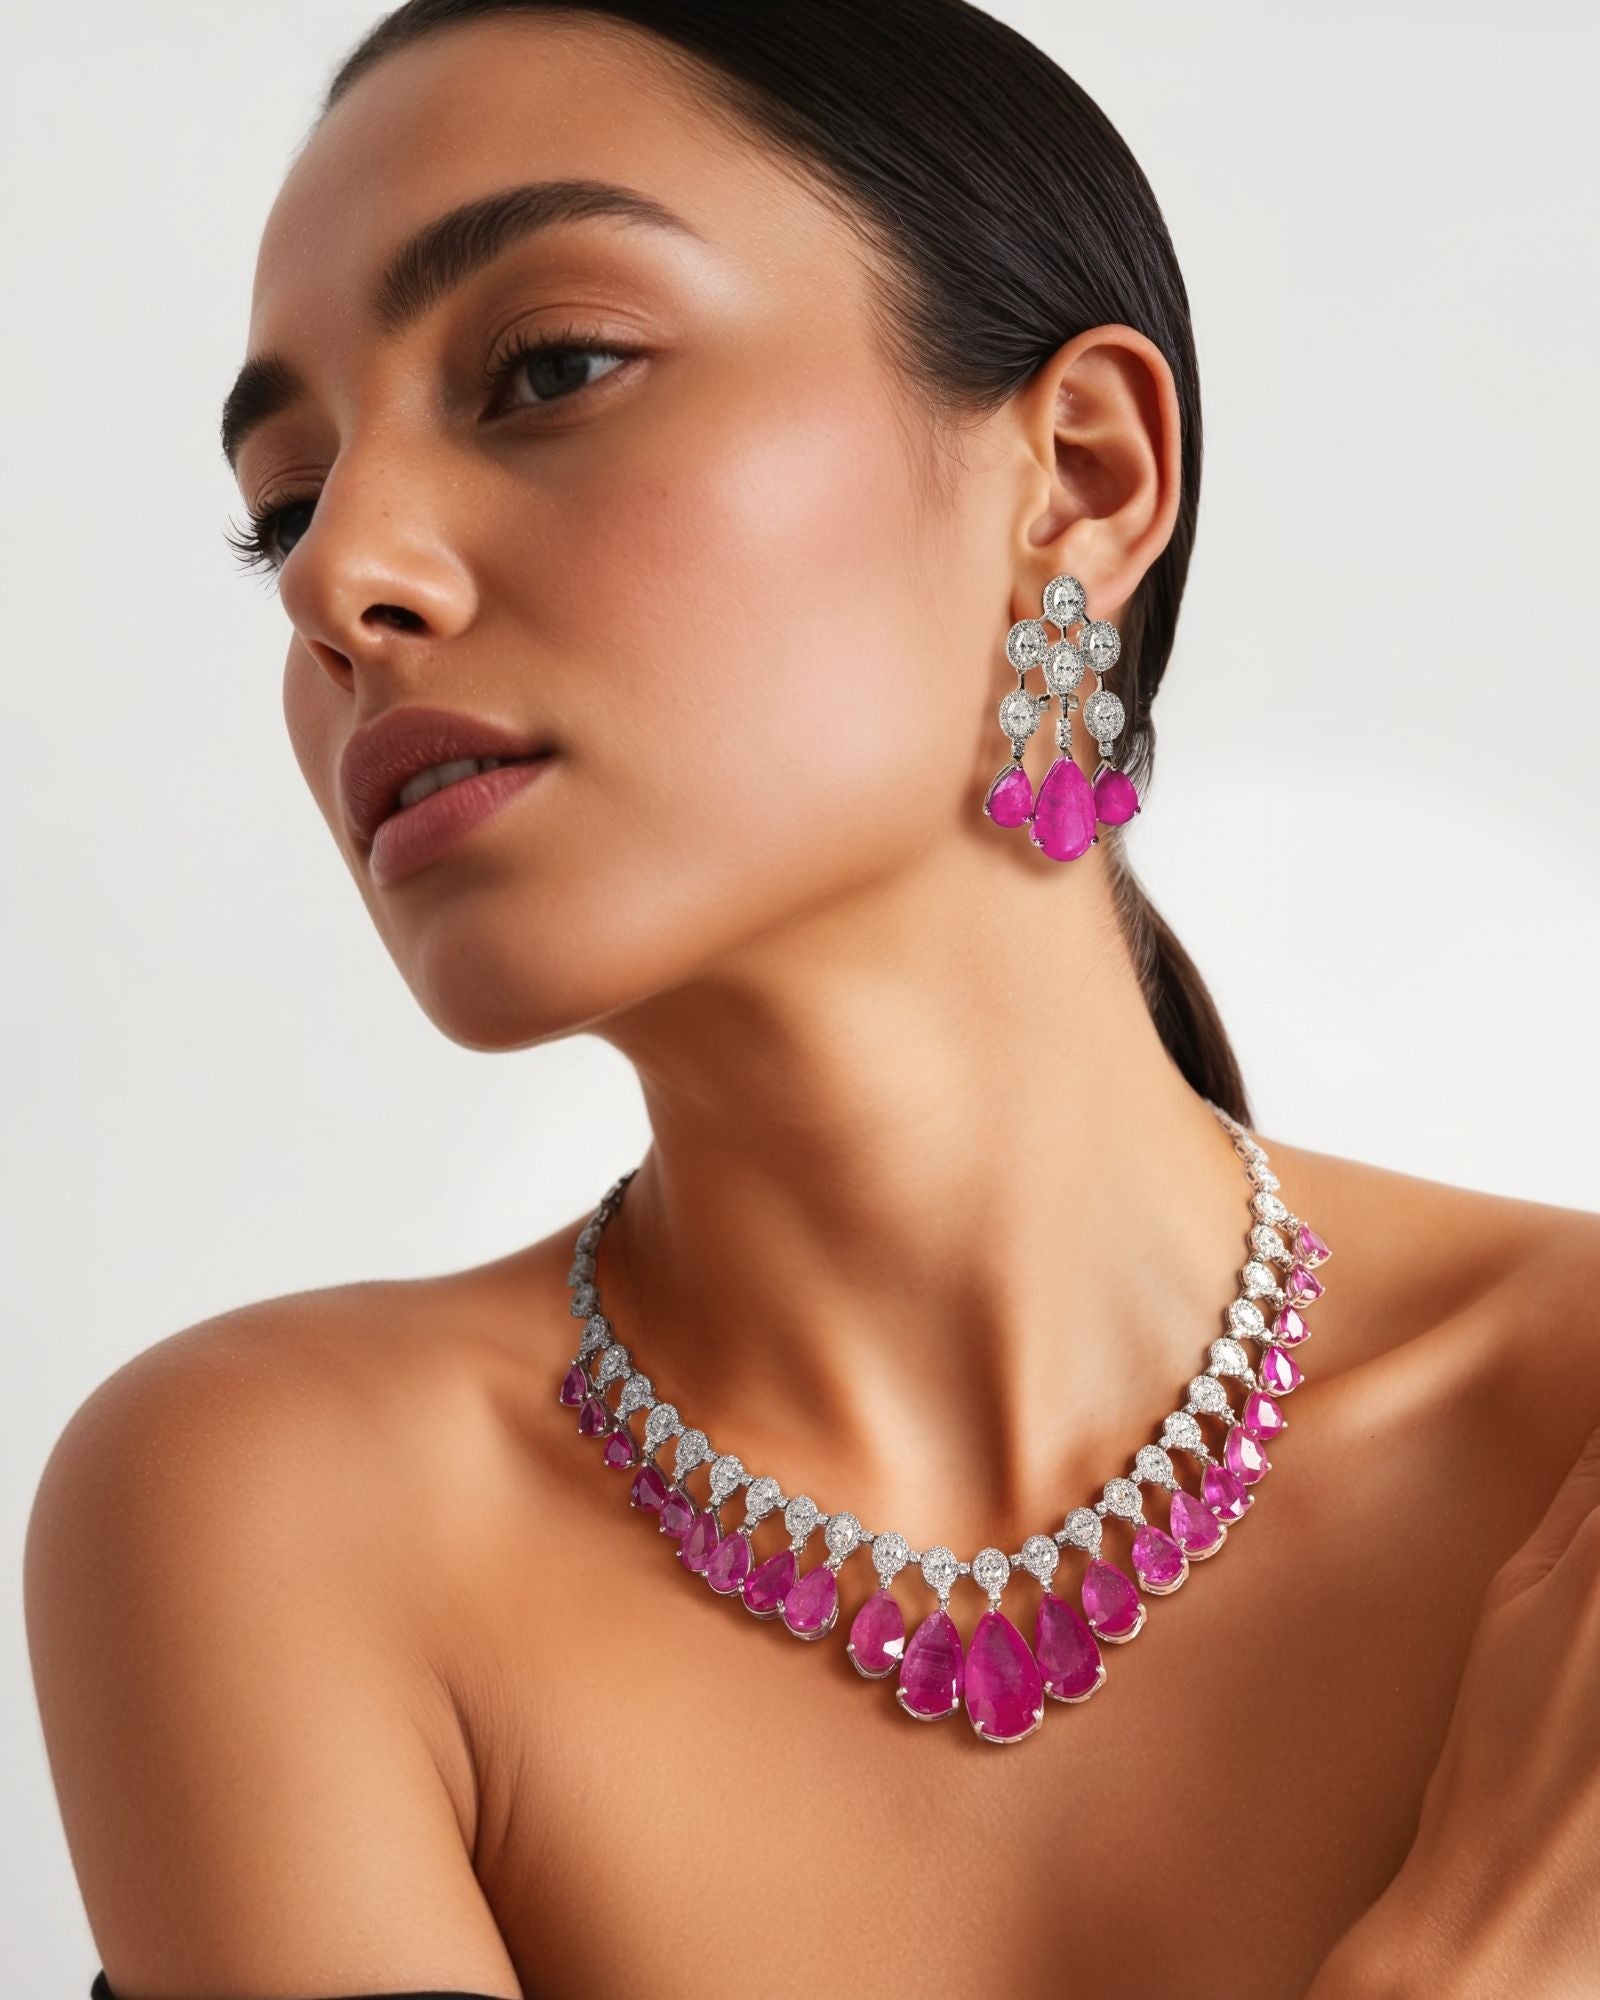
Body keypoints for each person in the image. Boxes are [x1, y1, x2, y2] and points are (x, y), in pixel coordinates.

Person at [24, 4, 1600, 1997]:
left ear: (1080, 479)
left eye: (547, 369)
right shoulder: (274, 1511)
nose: (336, 580)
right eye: (287, 501)